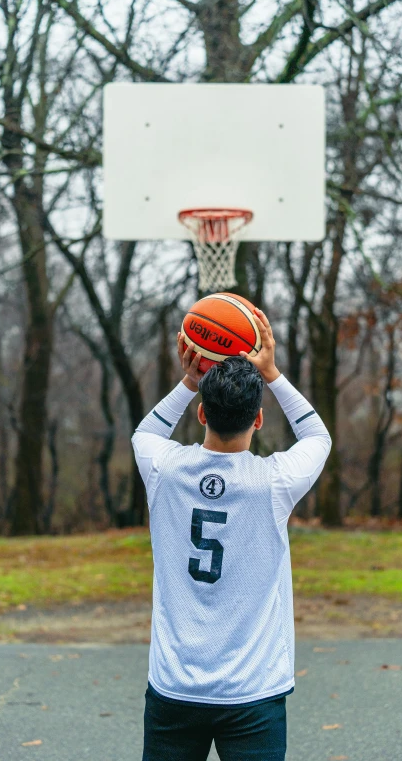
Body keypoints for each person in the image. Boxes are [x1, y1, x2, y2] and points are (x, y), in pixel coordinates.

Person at [132, 308, 331, 761]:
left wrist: (188, 379)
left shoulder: (163, 468)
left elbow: (146, 430)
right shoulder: (274, 482)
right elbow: (317, 436)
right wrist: (273, 373)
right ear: (257, 420)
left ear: (201, 412)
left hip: (175, 686)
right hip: (253, 689)